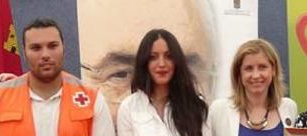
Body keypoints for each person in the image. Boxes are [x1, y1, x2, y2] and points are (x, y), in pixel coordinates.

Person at [77, 0, 217, 119]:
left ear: (212, 83)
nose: (161, 66)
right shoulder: (128, 110)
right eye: (121, 74)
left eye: (184, 70)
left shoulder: (201, 111)